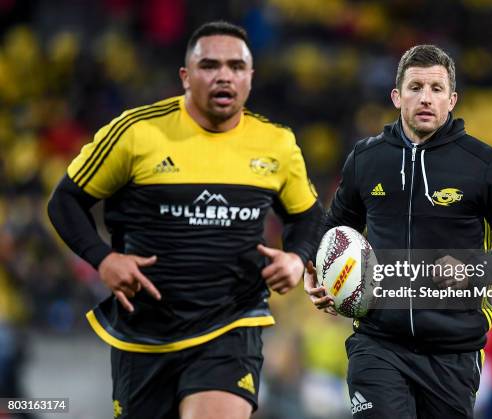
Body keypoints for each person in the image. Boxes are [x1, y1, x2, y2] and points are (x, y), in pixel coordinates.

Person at [48, 21, 323, 419]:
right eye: (209, 65)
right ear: (185, 76)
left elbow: (309, 216)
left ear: (250, 77)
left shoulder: (276, 143)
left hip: (232, 323)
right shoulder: (136, 132)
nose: (224, 75)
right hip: (145, 333)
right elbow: (65, 202)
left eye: (235, 66)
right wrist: (103, 259)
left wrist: (296, 258)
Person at [304, 44, 492, 418]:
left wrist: (472, 269)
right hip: (378, 343)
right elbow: (333, 229)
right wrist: (317, 275)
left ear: (452, 99)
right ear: (397, 96)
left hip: (454, 351)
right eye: (415, 87)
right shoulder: (366, 160)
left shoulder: (486, 165)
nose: (426, 98)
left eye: (436, 89)